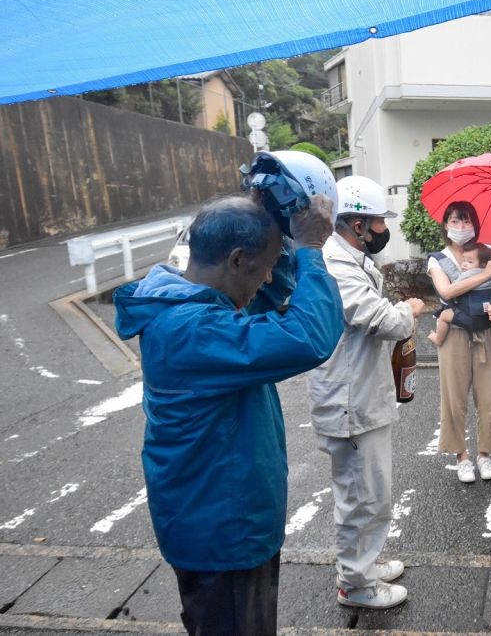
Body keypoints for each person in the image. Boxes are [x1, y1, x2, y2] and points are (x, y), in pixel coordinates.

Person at [114, 190, 342, 635]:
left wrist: (274, 222)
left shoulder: (192, 303)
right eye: (268, 264)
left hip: (215, 518)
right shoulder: (192, 328)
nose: (272, 274)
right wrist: (311, 251)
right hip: (223, 530)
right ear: (237, 259)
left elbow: (261, 294)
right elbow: (307, 337)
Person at [307, 176, 425, 609]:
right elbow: (383, 320)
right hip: (349, 401)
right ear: (357, 224)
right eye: (377, 222)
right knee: (361, 496)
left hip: (361, 395)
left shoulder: (353, 258)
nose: (381, 229)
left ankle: (365, 565)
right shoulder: (336, 265)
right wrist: (408, 310)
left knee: (372, 492)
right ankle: (356, 585)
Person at [428, 201, 491, 483]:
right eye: (454, 220)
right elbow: (447, 291)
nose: (461, 227)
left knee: (488, 396)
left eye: (466, 221)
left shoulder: (485, 253)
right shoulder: (437, 259)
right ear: (445, 225)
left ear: (474, 225)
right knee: (454, 397)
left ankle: (485, 453)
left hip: (486, 331)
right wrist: (486, 274)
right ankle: (461, 456)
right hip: (454, 334)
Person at [428, 241, 491, 347]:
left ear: (482, 264)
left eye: (469, 261)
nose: (464, 264)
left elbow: (453, 288)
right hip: (488, 318)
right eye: (464, 260)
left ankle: (438, 339)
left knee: (444, 316)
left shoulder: (467, 275)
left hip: (469, 317)